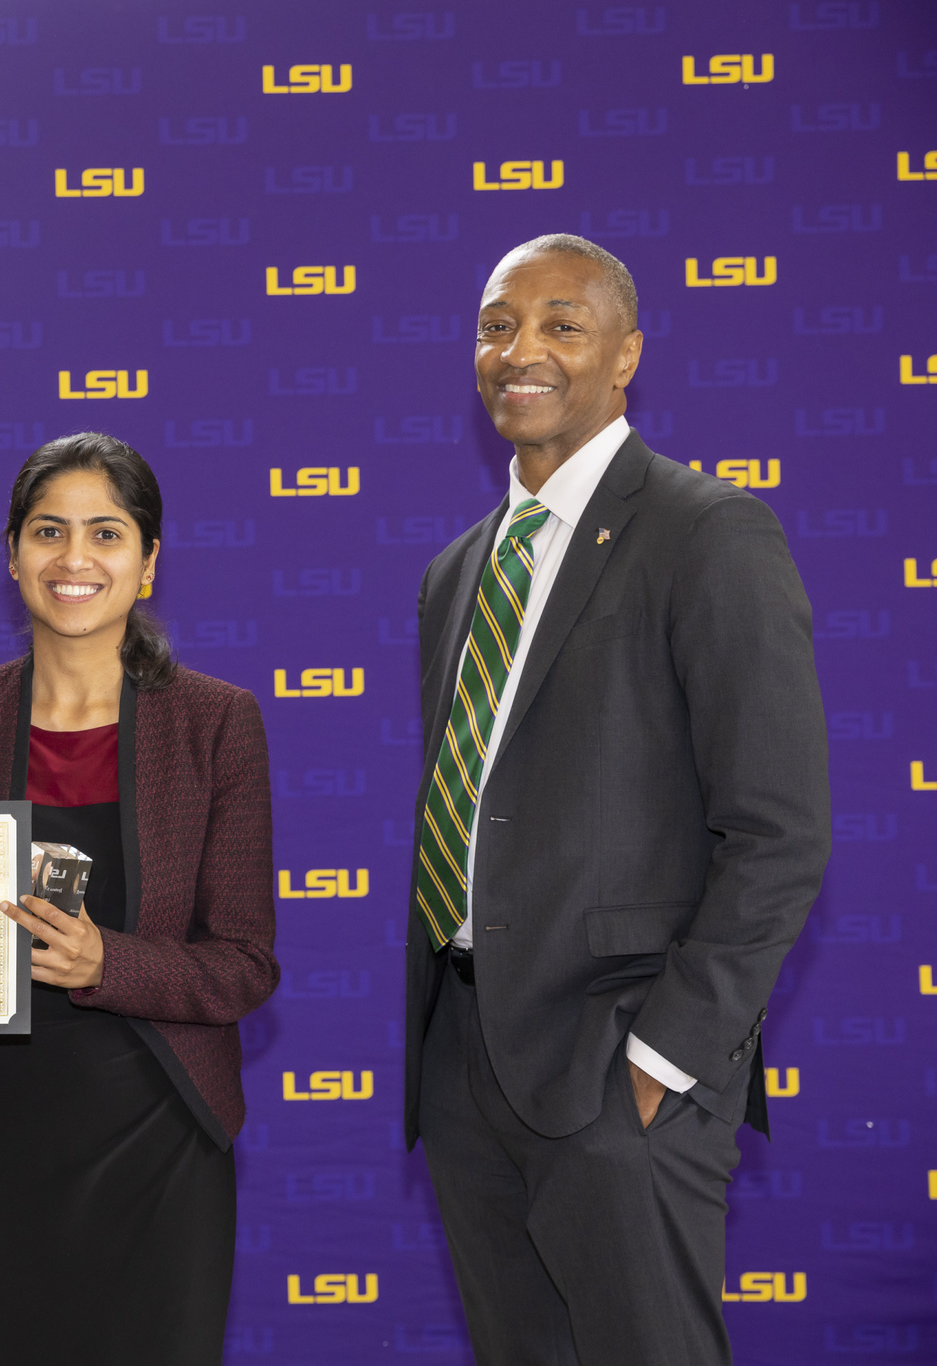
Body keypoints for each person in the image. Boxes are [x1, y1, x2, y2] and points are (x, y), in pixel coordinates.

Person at [403, 234, 830, 1365]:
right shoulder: (457, 571)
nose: (520, 349)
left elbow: (777, 832)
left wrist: (662, 1060)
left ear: (625, 352)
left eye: (560, 323)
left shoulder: (704, 533)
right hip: (466, 1063)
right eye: (497, 325)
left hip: (618, 1069)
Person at [0, 431, 278, 1365]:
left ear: (147, 564)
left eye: (107, 534)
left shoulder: (218, 723)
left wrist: (110, 962)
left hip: (160, 1138)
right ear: (11, 552)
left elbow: (243, 965)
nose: (74, 559)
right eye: (48, 531)